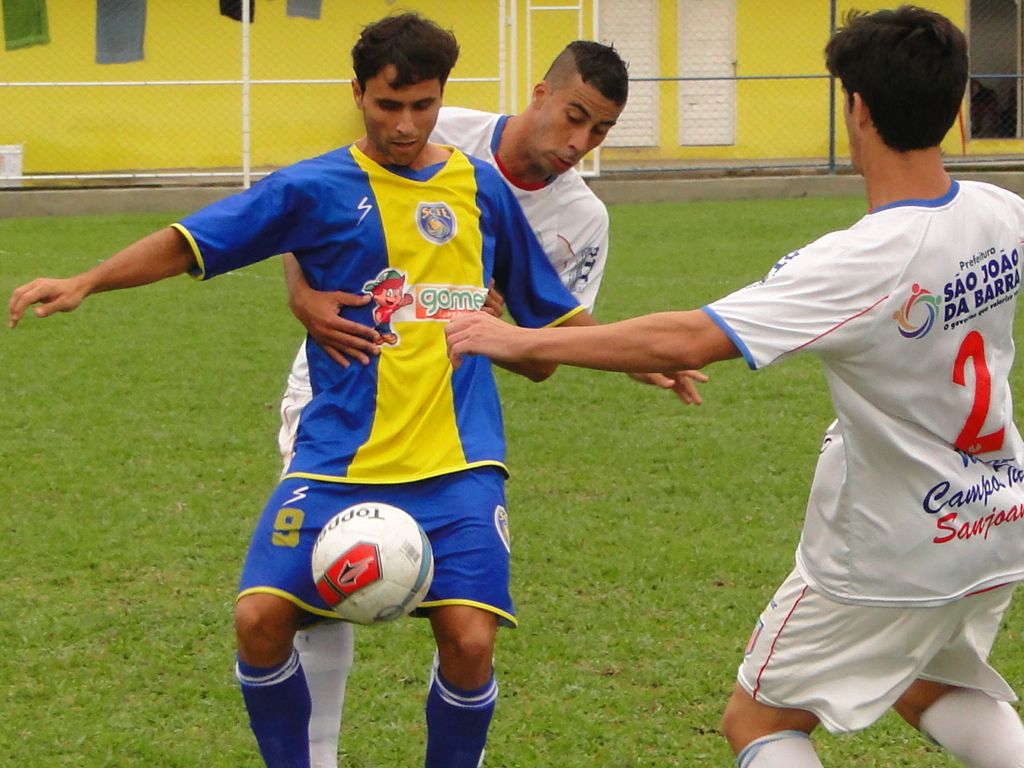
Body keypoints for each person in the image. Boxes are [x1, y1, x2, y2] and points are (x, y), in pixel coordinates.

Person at [445, 7, 1024, 767]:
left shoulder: (860, 259)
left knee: (759, 722)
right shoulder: (1001, 210)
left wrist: (510, 336)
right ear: (955, 108)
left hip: (894, 548)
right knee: (925, 681)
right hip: (994, 519)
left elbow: (690, 336)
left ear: (855, 108)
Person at [8, 12, 589, 768]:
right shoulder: (314, 186)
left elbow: (553, 319)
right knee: (258, 619)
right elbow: (191, 242)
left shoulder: (481, 189)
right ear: (358, 93)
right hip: (336, 453)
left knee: (471, 639)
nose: (406, 124)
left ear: (443, 96)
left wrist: (637, 351)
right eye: (388, 105)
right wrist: (87, 280)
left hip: (458, 458)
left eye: (423, 105)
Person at [279, 40, 707, 768]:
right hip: (344, 388)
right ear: (540, 94)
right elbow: (314, 202)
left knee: (469, 627)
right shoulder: (440, 127)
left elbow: (545, 355)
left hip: (453, 420)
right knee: (321, 582)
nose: (579, 143)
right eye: (574, 117)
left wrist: (619, 355)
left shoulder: (584, 220)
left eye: (600, 131)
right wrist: (301, 297)